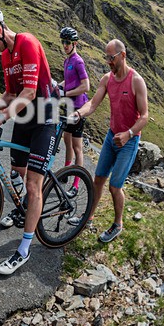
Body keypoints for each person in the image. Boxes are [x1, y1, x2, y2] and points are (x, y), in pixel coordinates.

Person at [0, 7, 58, 275]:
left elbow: (30, 92)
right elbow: (11, 93)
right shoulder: (6, 56)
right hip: (24, 117)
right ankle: (30, 205)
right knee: (17, 172)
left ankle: (23, 250)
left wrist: (1, 119)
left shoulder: (28, 43)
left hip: (44, 116)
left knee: (33, 186)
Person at [67, 39, 148, 243]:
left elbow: (145, 116)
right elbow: (93, 104)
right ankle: (88, 218)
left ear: (122, 55)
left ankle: (117, 224)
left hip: (128, 141)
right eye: (106, 58)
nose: (108, 62)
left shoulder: (136, 81)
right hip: (111, 137)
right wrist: (77, 114)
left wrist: (129, 133)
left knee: (115, 186)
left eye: (111, 58)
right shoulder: (107, 79)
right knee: (98, 180)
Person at [58, 27, 90, 198]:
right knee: (66, 141)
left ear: (75, 43)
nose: (64, 45)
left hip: (78, 108)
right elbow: (69, 80)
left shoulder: (78, 61)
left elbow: (86, 86)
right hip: (69, 107)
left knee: (77, 147)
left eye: (67, 42)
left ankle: (76, 184)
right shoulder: (67, 60)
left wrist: (65, 93)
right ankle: (66, 173)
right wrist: (59, 86)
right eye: (62, 42)